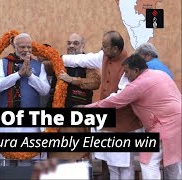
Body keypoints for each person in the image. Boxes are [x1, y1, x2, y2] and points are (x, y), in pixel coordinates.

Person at [85, 54, 182, 180]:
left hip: (163, 125)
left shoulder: (137, 85)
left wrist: (86, 109)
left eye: (126, 72)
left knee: (148, 163)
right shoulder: (159, 74)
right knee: (173, 162)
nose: (125, 76)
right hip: (178, 122)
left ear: (136, 70)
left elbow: (112, 102)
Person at [62, 31, 142, 179]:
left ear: (115, 49)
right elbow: (82, 60)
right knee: (112, 165)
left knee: (125, 167)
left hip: (123, 124)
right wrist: (59, 58)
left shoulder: (129, 66)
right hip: (107, 123)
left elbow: (116, 99)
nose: (102, 49)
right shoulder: (104, 56)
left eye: (105, 47)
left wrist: (88, 109)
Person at [0, 33, 50, 163]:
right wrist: (18, 74)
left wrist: (30, 75)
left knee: (30, 159)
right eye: (22, 47)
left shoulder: (38, 65)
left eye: (29, 47)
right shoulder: (4, 62)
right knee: (6, 160)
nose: (26, 50)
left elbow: (45, 90)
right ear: (15, 47)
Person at [48, 33, 101, 162]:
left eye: (75, 43)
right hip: (57, 117)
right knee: (56, 157)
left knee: (77, 156)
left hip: (78, 117)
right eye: (69, 43)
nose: (71, 46)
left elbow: (95, 82)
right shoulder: (60, 61)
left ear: (83, 45)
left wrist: (71, 80)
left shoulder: (88, 62)